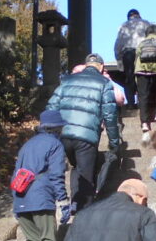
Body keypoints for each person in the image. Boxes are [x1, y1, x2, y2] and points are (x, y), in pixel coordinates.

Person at [2, 110, 70, 241]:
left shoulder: (27, 145)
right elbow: (56, 175)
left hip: (20, 198)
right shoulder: (55, 144)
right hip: (41, 198)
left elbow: (16, 174)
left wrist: (16, 201)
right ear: (56, 128)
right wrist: (63, 200)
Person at [46, 53, 122, 211]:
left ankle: (75, 202)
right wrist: (114, 142)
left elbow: (51, 106)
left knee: (76, 166)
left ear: (86, 65)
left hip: (64, 134)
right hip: (87, 136)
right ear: (101, 67)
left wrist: (49, 133)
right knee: (86, 173)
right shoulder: (104, 83)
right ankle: (85, 211)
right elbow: (110, 115)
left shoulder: (67, 80)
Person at [113, 9, 150, 107]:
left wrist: (118, 58)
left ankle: (130, 103)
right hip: (143, 53)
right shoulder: (146, 23)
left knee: (129, 77)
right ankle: (142, 102)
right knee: (143, 77)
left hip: (128, 53)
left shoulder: (124, 25)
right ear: (139, 15)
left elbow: (119, 43)